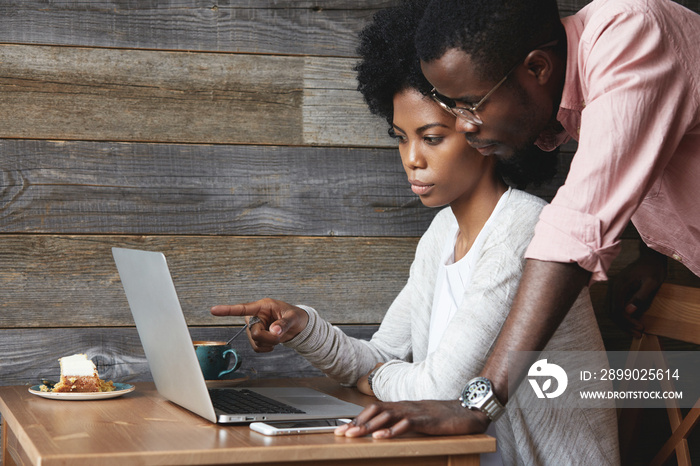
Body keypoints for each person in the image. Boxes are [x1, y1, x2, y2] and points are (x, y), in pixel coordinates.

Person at [212, 1, 619, 464]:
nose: (412, 158)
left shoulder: (522, 228)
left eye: (431, 137)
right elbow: (380, 354)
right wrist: (302, 325)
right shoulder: (442, 233)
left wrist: (374, 377)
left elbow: (437, 391)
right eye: (400, 138)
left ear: (476, 130)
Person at [337, 0, 700, 443]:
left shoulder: (632, 37)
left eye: (472, 103)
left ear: (539, 68)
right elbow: (645, 155)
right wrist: (653, 254)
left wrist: (479, 403)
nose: (466, 125)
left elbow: (576, 224)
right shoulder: (598, 67)